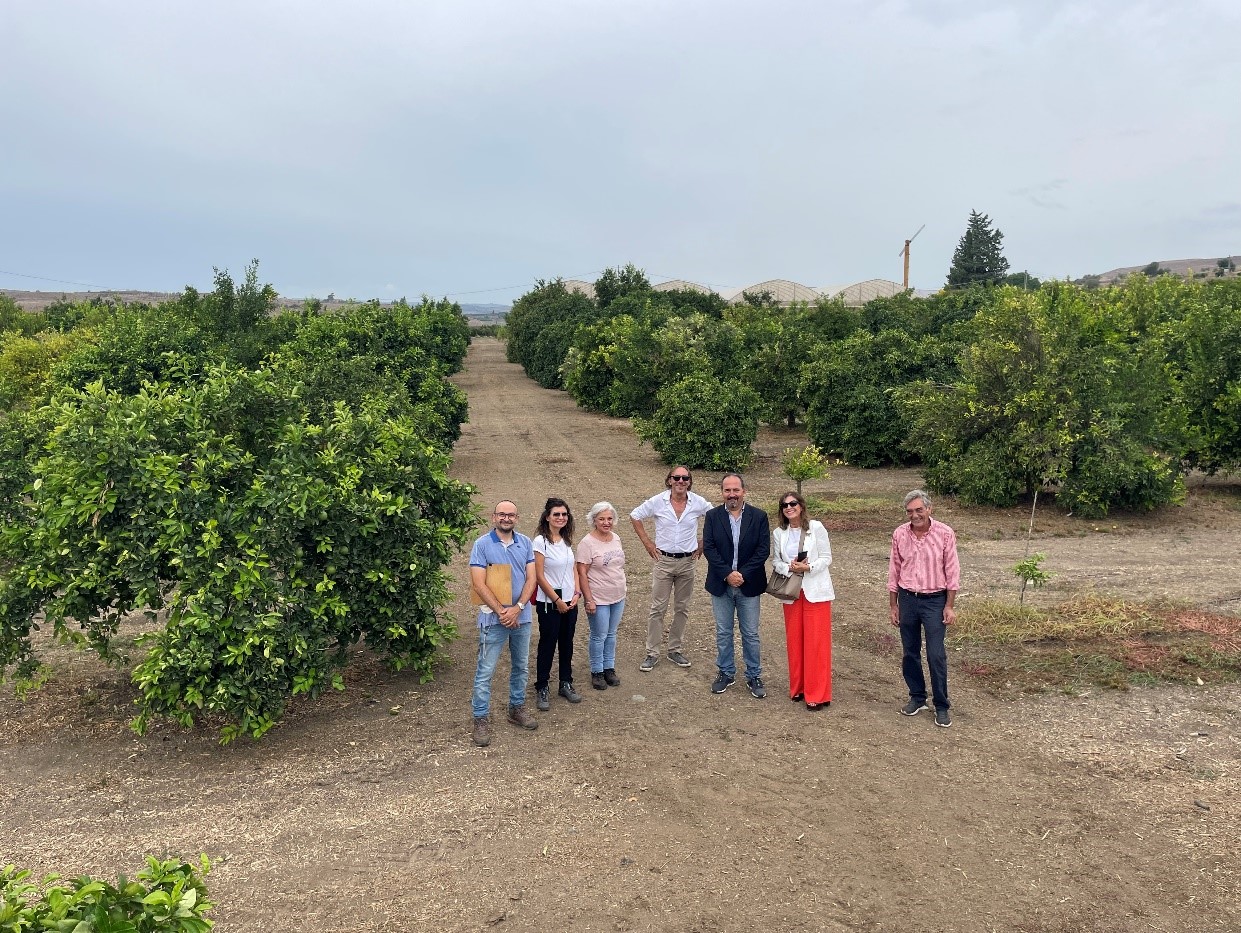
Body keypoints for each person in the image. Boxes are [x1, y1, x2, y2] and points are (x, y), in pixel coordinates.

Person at [469, 500, 539, 747]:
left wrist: (518, 609)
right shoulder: (482, 544)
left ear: (517, 518)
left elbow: (532, 579)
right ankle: (480, 718)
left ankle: (516, 708)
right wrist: (502, 612)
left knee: (521, 666)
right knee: (485, 671)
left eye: (510, 515)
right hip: (492, 618)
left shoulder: (526, 543)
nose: (506, 518)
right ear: (493, 516)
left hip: (522, 617)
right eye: (502, 514)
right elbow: (479, 583)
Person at [888, 489, 960, 728]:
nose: (915, 515)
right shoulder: (900, 534)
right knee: (910, 652)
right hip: (908, 599)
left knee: (936, 654)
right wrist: (893, 605)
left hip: (934, 601)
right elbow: (894, 571)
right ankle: (917, 697)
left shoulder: (945, 533)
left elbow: (952, 572)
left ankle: (941, 705)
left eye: (919, 510)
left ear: (929, 509)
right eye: (910, 511)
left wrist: (949, 605)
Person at [629, 466, 712, 672]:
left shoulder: (698, 502)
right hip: (663, 561)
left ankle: (675, 649)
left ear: (690, 482)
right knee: (658, 608)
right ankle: (652, 652)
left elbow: (716, 517)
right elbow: (635, 515)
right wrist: (648, 543)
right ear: (670, 480)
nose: (681, 481)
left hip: (687, 562)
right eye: (677, 477)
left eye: (685, 478)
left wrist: (704, 542)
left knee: (682, 607)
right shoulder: (658, 501)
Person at [702, 473, 770, 698]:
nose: (732, 494)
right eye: (727, 490)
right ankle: (726, 672)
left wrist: (741, 574)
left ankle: (754, 675)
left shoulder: (759, 516)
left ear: (744, 491)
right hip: (721, 584)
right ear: (722, 492)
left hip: (749, 584)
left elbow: (763, 550)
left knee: (750, 633)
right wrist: (728, 574)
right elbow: (709, 548)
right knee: (723, 632)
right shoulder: (712, 516)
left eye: (736, 490)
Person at [772, 491, 835, 710]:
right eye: (784, 505)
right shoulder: (779, 533)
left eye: (793, 503)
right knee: (795, 642)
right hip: (791, 592)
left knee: (816, 644)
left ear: (801, 505)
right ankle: (798, 688)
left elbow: (827, 557)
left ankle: (817, 693)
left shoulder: (816, 528)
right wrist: (788, 566)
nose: (789, 507)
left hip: (815, 592)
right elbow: (776, 561)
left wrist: (808, 567)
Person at [532, 497, 582, 710]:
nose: (561, 518)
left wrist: (577, 592)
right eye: (556, 514)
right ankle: (542, 686)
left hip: (571, 601)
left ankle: (565, 682)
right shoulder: (540, 542)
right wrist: (557, 600)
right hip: (550, 603)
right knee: (548, 643)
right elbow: (539, 576)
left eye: (564, 514)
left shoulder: (567, 540)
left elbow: (573, 569)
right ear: (547, 517)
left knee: (567, 642)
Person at [576, 501, 626, 692]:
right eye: (602, 519)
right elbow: (582, 573)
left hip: (618, 595)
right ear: (594, 520)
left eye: (609, 519)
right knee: (599, 635)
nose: (606, 522)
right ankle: (597, 671)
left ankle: (609, 668)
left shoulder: (616, 538)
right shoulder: (587, 543)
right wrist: (589, 599)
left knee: (612, 634)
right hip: (598, 597)